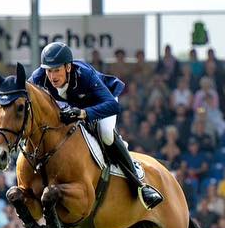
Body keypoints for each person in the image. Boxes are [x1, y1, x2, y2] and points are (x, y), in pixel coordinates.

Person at [28, 41, 163, 209]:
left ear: (68, 67)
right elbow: (24, 96)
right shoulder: (39, 76)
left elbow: (113, 106)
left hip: (101, 102)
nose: (52, 76)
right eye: (49, 70)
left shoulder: (84, 74)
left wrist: (84, 114)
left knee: (106, 134)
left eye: (57, 70)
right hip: (72, 105)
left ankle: (139, 185)